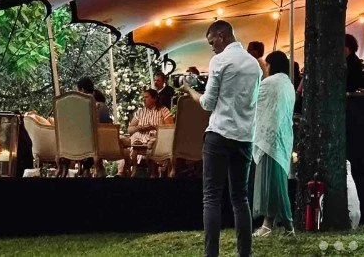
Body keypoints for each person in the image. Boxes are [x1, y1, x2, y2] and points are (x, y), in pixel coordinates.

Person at [180, 19, 261, 257]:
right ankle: (244, 253)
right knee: (240, 198)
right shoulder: (254, 65)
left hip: (219, 134)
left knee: (211, 197)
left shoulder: (220, 61)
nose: (211, 47)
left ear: (222, 36)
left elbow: (207, 103)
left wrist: (190, 91)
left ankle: (211, 254)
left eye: (211, 41)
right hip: (245, 137)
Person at [252, 51, 296, 238]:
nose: (266, 69)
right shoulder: (288, 84)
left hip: (269, 139)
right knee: (275, 183)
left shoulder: (270, 83)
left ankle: (288, 226)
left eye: (267, 65)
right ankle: (268, 224)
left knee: (274, 184)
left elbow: (255, 104)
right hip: (282, 138)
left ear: (272, 65)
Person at [127, 88, 174, 172]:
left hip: (157, 139)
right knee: (131, 144)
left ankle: (154, 171)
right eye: (143, 97)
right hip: (140, 139)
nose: (144, 99)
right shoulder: (140, 112)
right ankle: (130, 171)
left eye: (146, 97)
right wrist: (139, 127)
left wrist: (154, 127)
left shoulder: (163, 110)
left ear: (154, 98)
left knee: (152, 143)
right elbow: (130, 129)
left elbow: (170, 127)